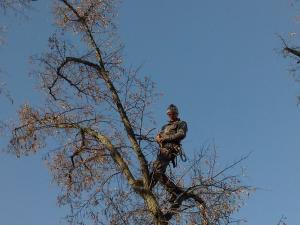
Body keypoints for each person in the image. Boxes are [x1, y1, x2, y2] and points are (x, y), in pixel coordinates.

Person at [150, 104, 188, 201]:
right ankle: (175, 192)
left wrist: (166, 138)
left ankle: (148, 187)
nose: (170, 115)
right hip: (163, 149)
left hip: (171, 148)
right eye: (169, 114)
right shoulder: (165, 126)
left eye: (172, 113)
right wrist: (158, 138)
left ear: (176, 113)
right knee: (158, 170)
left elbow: (181, 134)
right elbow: (160, 136)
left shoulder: (181, 123)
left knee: (157, 169)